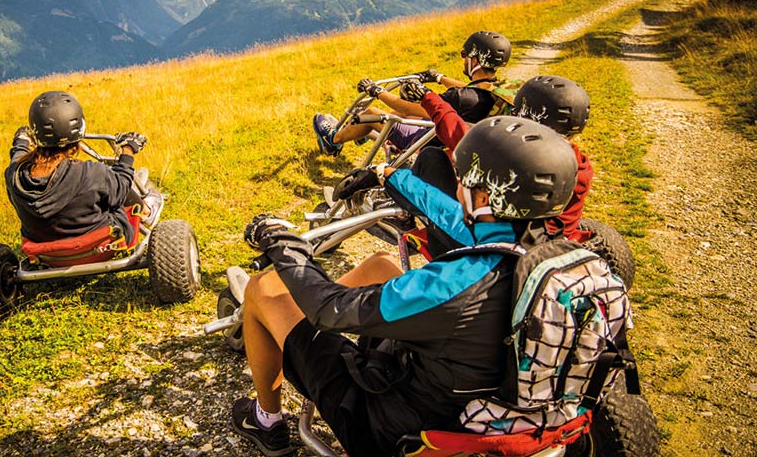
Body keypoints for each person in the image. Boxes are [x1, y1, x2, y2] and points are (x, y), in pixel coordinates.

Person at [231, 117, 578, 457]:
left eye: (462, 179)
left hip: (397, 432)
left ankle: (266, 421)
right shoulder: (562, 259)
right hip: (498, 410)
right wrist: (387, 176)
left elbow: (329, 311)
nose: (457, 186)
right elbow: (450, 215)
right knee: (381, 266)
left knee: (265, 288)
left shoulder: (455, 285)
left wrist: (282, 242)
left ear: (484, 196)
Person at [403, 74, 593, 248]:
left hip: (493, 241)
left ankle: (407, 215)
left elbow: (461, 135)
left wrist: (429, 97)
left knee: (431, 156)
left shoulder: (523, 159)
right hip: (552, 240)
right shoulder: (576, 162)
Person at [313, 31, 511, 156]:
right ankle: (364, 134)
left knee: (372, 113)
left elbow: (407, 106)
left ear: (474, 61)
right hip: (456, 140)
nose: (464, 60)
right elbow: (472, 88)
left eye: (465, 56)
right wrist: (438, 77)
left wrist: (377, 91)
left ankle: (333, 141)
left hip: (428, 146)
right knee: (407, 116)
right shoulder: (495, 93)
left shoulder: (460, 97)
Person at [5, 90, 148, 243]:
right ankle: (146, 211)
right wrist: (129, 149)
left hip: (46, 251)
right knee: (112, 193)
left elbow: (17, 156)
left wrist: (21, 140)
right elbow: (122, 187)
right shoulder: (91, 173)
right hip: (99, 246)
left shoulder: (15, 175)